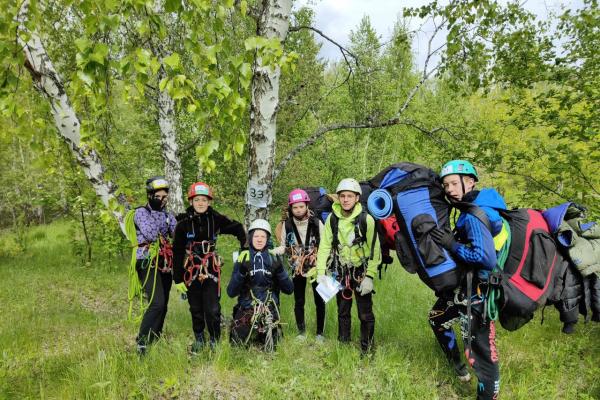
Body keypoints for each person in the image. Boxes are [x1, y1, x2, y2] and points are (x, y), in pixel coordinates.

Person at [429, 160, 506, 400]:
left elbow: (483, 257)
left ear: (469, 182)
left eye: (454, 183)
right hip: (464, 290)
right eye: (446, 185)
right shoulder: (467, 210)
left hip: (479, 296)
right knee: (437, 320)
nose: (449, 189)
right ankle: (459, 368)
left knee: (481, 355)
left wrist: (452, 244)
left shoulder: (473, 215)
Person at [171, 182, 246, 352]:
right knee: (196, 307)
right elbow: (177, 252)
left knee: (212, 308)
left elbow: (237, 227)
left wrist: (245, 248)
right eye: (197, 199)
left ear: (209, 201)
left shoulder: (216, 218)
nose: (200, 203)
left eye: (204, 200)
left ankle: (214, 339)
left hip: (211, 268)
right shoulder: (183, 223)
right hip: (190, 270)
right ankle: (199, 338)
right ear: (191, 201)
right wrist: (177, 278)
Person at [315, 178, 381, 355]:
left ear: (357, 198)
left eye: (349, 196)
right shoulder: (332, 219)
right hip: (340, 270)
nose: (345, 199)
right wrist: (321, 272)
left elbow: (375, 251)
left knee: (364, 313)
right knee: (343, 310)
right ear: (338, 198)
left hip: (361, 270)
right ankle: (343, 344)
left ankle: (366, 348)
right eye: (342, 196)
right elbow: (325, 246)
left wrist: (369, 277)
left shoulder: (366, 220)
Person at [227, 219, 294, 351]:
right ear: (250, 238)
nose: (259, 239)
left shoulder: (273, 258)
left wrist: (280, 270)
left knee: (272, 346)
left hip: (269, 308)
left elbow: (289, 289)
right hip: (247, 307)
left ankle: (263, 333)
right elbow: (231, 292)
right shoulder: (243, 258)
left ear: (267, 239)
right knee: (236, 344)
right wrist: (241, 272)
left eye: (263, 236)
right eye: (256, 236)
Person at [130, 176, 176, 355]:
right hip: (146, 260)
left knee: (163, 304)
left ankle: (154, 338)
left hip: (165, 262)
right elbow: (150, 233)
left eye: (165, 196)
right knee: (156, 302)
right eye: (158, 196)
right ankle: (142, 341)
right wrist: (164, 228)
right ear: (150, 196)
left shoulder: (168, 215)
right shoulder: (141, 212)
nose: (162, 199)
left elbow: (177, 232)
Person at [274, 189, 326, 341]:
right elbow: (284, 245)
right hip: (297, 265)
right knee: (299, 299)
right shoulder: (288, 225)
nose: (298, 210)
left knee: (319, 299)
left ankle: (320, 333)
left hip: (316, 265)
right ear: (291, 208)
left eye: (301, 207)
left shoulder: (316, 223)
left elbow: (325, 244)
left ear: (307, 206)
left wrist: (323, 267)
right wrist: (274, 251)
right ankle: (301, 332)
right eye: (295, 207)